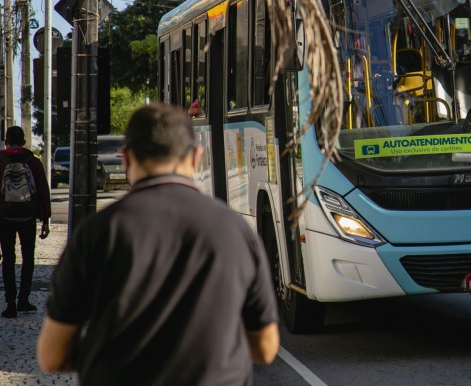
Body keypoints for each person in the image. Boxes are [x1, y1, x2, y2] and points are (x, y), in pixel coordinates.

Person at [37, 103, 279, 385]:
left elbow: (52, 355)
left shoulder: (96, 233)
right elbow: (266, 347)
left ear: (126, 158)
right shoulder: (234, 230)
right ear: (196, 157)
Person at [0, 126, 51, 319]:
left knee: (8, 258)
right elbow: (42, 191)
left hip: (4, 217)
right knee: (28, 257)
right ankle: (24, 300)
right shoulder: (34, 162)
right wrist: (45, 219)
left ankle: (10, 304)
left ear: (6, 141)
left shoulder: (0, 160)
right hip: (27, 216)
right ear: (23, 142)